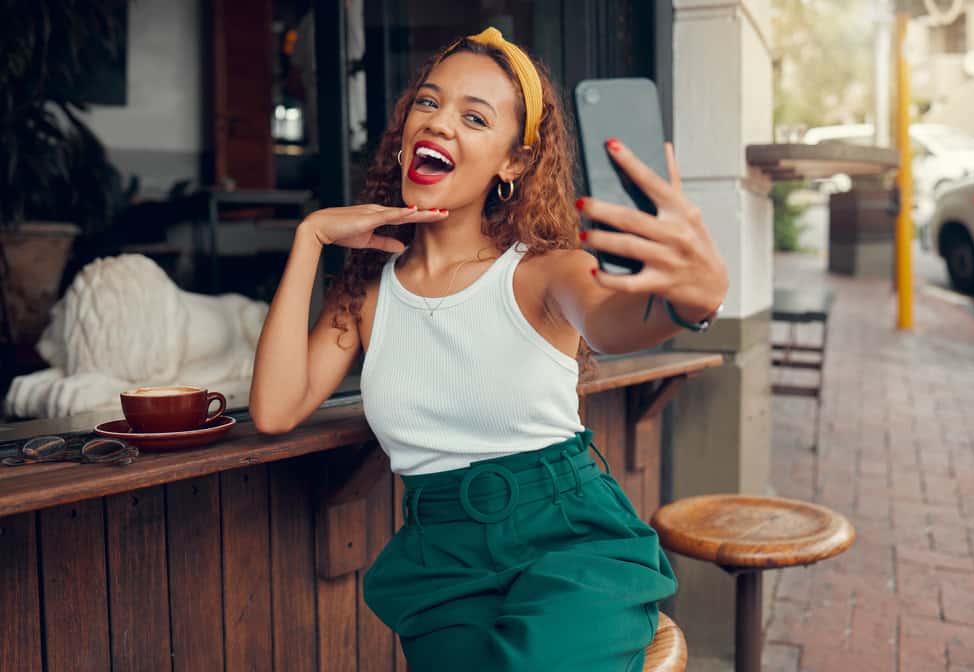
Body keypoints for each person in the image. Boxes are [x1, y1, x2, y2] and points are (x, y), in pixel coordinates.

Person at [249, 27, 727, 672]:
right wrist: (310, 238)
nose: (440, 123)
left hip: (570, 539)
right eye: (428, 102)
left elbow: (614, 322)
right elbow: (276, 409)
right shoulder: (365, 292)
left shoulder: (545, 272)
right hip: (440, 560)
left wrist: (690, 302)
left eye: (474, 117)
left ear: (515, 163)